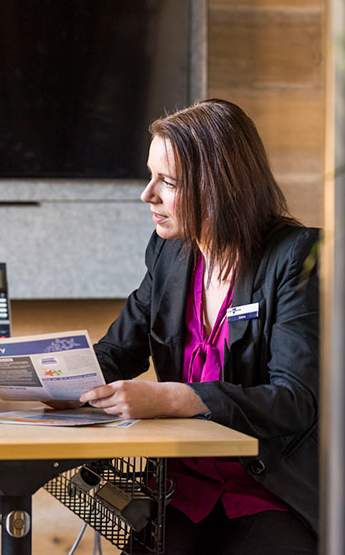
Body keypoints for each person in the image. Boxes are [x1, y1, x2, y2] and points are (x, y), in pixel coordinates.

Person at [80, 99, 319, 554]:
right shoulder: (170, 254)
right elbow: (115, 353)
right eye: (151, 177)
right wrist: (47, 375)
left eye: (167, 182)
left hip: (269, 491)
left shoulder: (295, 256)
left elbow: (295, 401)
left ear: (220, 187)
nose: (147, 195)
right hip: (180, 486)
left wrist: (173, 397)